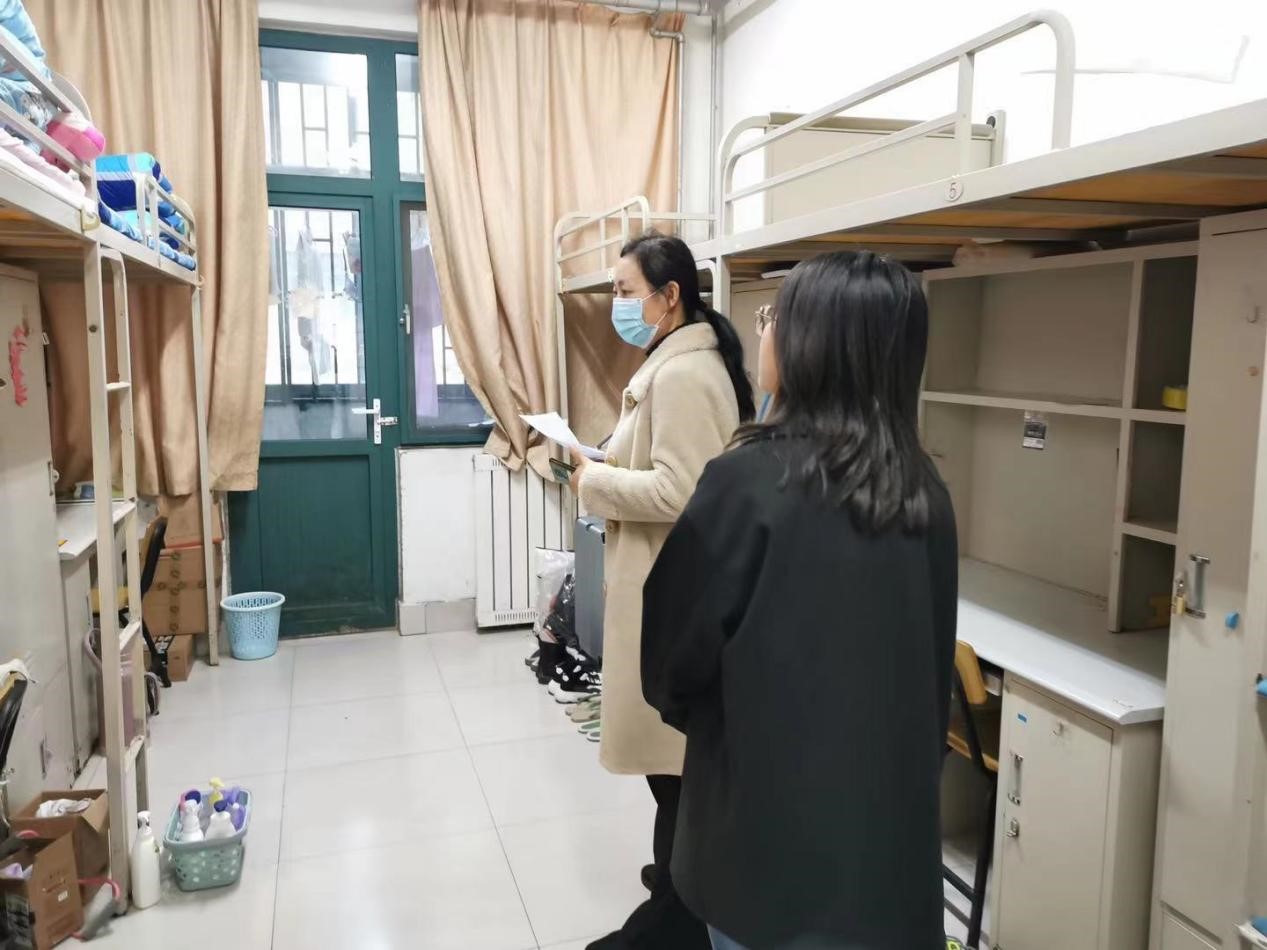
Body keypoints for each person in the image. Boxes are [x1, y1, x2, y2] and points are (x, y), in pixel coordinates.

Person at [641, 250, 959, 950]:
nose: (763, 332)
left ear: (810, 344)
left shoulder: (747, 484)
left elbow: (668, 667)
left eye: (772, 318)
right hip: (886, 872)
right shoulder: (922, 491)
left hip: (764, 867)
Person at [569, 231, 755, 950]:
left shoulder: (683, 375)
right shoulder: (672, 363)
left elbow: (684, 490)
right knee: (669, 773)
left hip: (671, 597)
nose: (617, 304)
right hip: (661, 586)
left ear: (668, 295)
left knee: (675, 771)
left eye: (624, 291)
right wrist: (600, 462)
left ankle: (678, 912)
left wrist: (595, 482)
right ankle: (674, 891)